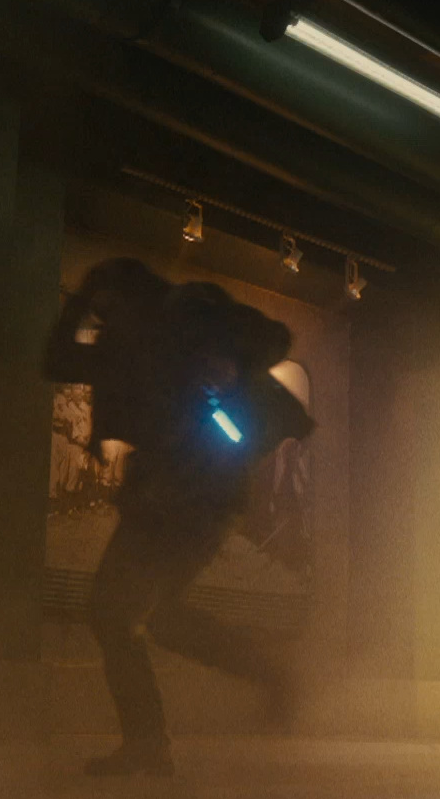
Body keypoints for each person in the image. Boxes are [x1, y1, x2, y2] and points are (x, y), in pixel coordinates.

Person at [42, 258, 314, 777]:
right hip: (174, 494)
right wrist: (81, 299)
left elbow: (274, 336)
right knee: (159, 618)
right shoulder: (123, 347)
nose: (101, 317)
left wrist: (227, 361)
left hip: (196, 493)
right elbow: (57, 361)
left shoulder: (187, 312)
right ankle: (267, 677)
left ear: (127, 296)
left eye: (104, 304)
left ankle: (149, 742)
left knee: (111, 611)